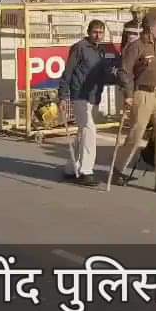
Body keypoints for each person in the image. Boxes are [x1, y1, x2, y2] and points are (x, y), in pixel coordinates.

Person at [111, 16, 156, 195]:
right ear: (150, 28)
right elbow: (124, 71)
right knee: (136, 134)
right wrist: (128, 94)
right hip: (142, 94)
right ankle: (117, 169)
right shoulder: (135, 46)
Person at [58, 20, 111, 186]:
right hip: (79, 94)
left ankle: (71, 167)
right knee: (89, 129)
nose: (98, 35)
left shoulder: (101, 51)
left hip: (93, 96)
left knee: (83, 132)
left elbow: (103, 75)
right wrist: (63, 95)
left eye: (101, 32)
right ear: (89, 32)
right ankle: (86, 171)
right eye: (95, 32)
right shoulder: (80, 47)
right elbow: (68, 72)